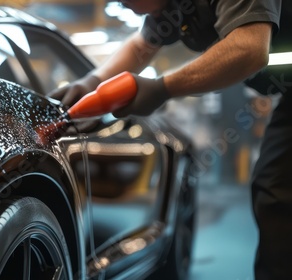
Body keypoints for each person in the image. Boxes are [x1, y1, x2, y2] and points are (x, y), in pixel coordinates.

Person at [49, 0, 291, 279]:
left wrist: (162, 88)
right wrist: (92, 82)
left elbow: (250, 48)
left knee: (279, 193)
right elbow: (141, 47)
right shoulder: (169, 8)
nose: (119, 2)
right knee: (274, 191)